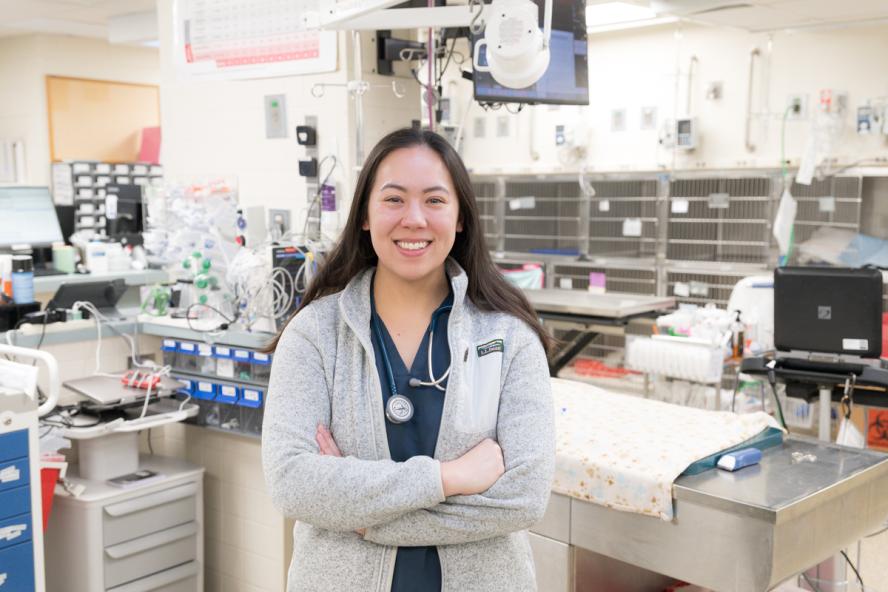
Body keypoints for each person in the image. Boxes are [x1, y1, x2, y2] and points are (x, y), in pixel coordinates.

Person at [262, 127, 555, 592]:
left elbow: (523, 496)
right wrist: (448, 477)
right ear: (364, 215)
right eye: (394, 199)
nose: (414, 219)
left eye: (435, 201)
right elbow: (293, 482)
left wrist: (370, 520)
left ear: (460, 218)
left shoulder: (507, 337)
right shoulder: (314, 336)